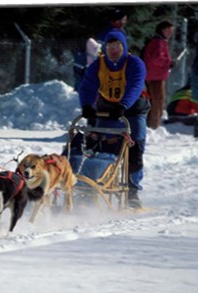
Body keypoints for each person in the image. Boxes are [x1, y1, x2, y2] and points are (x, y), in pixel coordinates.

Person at [79, 30, 149, 209]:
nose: (113, 50)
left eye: (117, 46)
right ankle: (91, 182)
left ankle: (132, 190)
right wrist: (87, 105)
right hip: (108, 107)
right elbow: (87, 86)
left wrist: (123, 105)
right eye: (110, 46)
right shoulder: (98, 65)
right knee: (102, 143)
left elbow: (135, 86)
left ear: (124, 47)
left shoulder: (135, 64)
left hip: (133, 109)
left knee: (135, 146)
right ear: (105, 48)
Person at [142, 20, 175, 130]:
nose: (170, 33)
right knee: (157, 101)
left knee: (153, 101)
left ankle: (151, 124)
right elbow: (157, 58)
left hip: (153, 75)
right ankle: (154, 126)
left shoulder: (156, 41)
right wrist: (169, 63)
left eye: (172, 31)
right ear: (162, 30)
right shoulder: (159, 42)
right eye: (169, 30)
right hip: (156, 76)